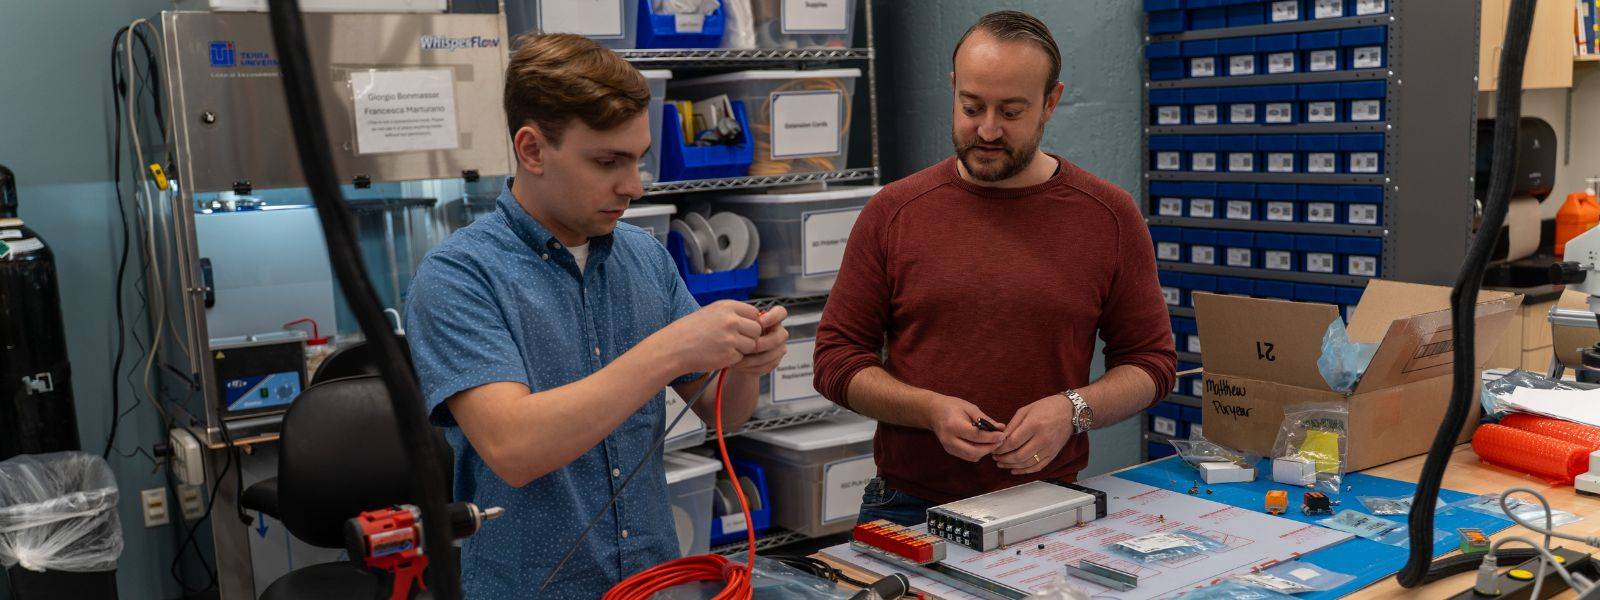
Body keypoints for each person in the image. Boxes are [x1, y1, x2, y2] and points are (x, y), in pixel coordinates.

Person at [405, 33, 789, 597]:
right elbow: (514, 448)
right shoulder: (459, 276)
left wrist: (747, 363)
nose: (634, 186)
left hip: (652, 580)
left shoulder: (645, 258)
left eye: (638, 159)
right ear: (533, 150)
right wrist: (671, 350)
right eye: (608, 162)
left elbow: (723, 413)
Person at [812, 10, 1176, 525]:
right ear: (953, 88)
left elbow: (1152, 364)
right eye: (971, 106)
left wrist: (1072, 409)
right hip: (908, 506)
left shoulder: (1108, 216)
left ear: (1050, 102)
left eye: (1010, 111)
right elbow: (835, 360)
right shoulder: (893, 212)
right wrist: (929, 410)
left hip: (1048, 503)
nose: (986, 129)